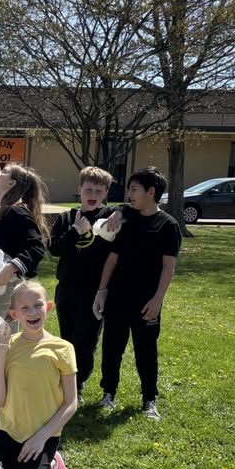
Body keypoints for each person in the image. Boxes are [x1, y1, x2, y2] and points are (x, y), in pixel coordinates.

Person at [0, 281, 77, 469]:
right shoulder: (8, 345)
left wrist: (41, 438)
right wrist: (0, 353)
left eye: (37, 305)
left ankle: (51, 464)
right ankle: (19, 464)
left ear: (48, 307)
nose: (32, 312)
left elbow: (71, 403)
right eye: (25, 308)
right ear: (14, 314)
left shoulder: (62, 348)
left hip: (44, 435)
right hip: (9, 432)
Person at [93, 167, 181, 421]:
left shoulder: (168, 225)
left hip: (146, 302)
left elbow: (168, 267)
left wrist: (157, 300)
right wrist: (102, 291)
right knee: (112, 348)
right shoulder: (126, 218)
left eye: (134, 189)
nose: (130, 194)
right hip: (118, 297)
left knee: (146, 351)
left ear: (151, 192)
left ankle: (149, 399)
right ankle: (108, 393)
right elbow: (112, 259)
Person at [0, 164, 48, 429]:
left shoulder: (17, 212)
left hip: (8, 292)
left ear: (12, 184)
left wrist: (12, 266)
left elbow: (36, 246)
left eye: (3, 173)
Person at [49, 166, 116, 402]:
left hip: (93, 292)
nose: (93, 194)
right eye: (88, 189)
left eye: (99, 190)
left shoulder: (110, 217)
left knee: (86, 341)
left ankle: (78, 384)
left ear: (106, 193)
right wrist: (76, 230)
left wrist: (122, 215)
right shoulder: (67, 218)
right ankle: (66, 381)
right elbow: (55, 249)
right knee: (67, 339)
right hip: (67, 289)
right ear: (80, 189)